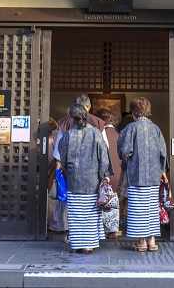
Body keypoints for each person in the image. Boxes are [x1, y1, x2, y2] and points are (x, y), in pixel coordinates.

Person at [58, 103, 113, 253]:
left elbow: (63, 157)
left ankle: (77, 244)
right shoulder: (95, 133)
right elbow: (104, 157)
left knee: (76, 213)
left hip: (75, 179)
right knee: (90, 212)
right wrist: (104, 175)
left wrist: (67, 169)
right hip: (92, 180)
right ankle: (89, 245)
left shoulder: (69, 134)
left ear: (72, 118)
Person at [117, 97, 167, 252]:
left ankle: (141, 242)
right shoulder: (156, 129)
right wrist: (161, 171)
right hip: (153, 176)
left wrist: (125, 162)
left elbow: (124, 151)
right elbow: (163, 153)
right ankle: (152, 241)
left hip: (136, 174)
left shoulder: (131, 128)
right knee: (151, 207)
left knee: (139, 208)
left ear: (133, 112)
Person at [95, 109, 122, 238]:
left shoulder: (99, 135)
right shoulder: (119, 136)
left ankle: (101, 228)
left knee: (101, 198)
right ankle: (113, 228)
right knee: (113, 198)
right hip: (117, 172)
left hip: (104, 173)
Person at [46, 117, 67, 233]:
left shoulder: (51, 137)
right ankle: (64, 224)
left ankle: (55, 224)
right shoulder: (61, 134)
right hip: (64, 170)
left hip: (55, 171)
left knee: (54, 198)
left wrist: (47, 170)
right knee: (63, 199)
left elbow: (49, 158)